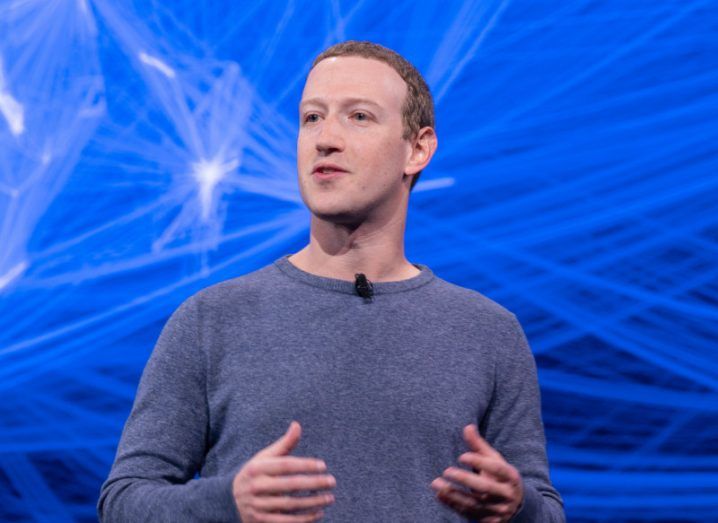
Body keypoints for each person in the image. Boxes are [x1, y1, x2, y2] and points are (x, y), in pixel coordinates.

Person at [98, 41, 565, 522]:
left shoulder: (487, 332)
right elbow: (123, 502)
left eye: (358, 117)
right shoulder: (211, 319)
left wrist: (518, 508)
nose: (325, 138)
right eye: (311, 118)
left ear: (418, 149)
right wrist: (225, 504)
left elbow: (544, 509)